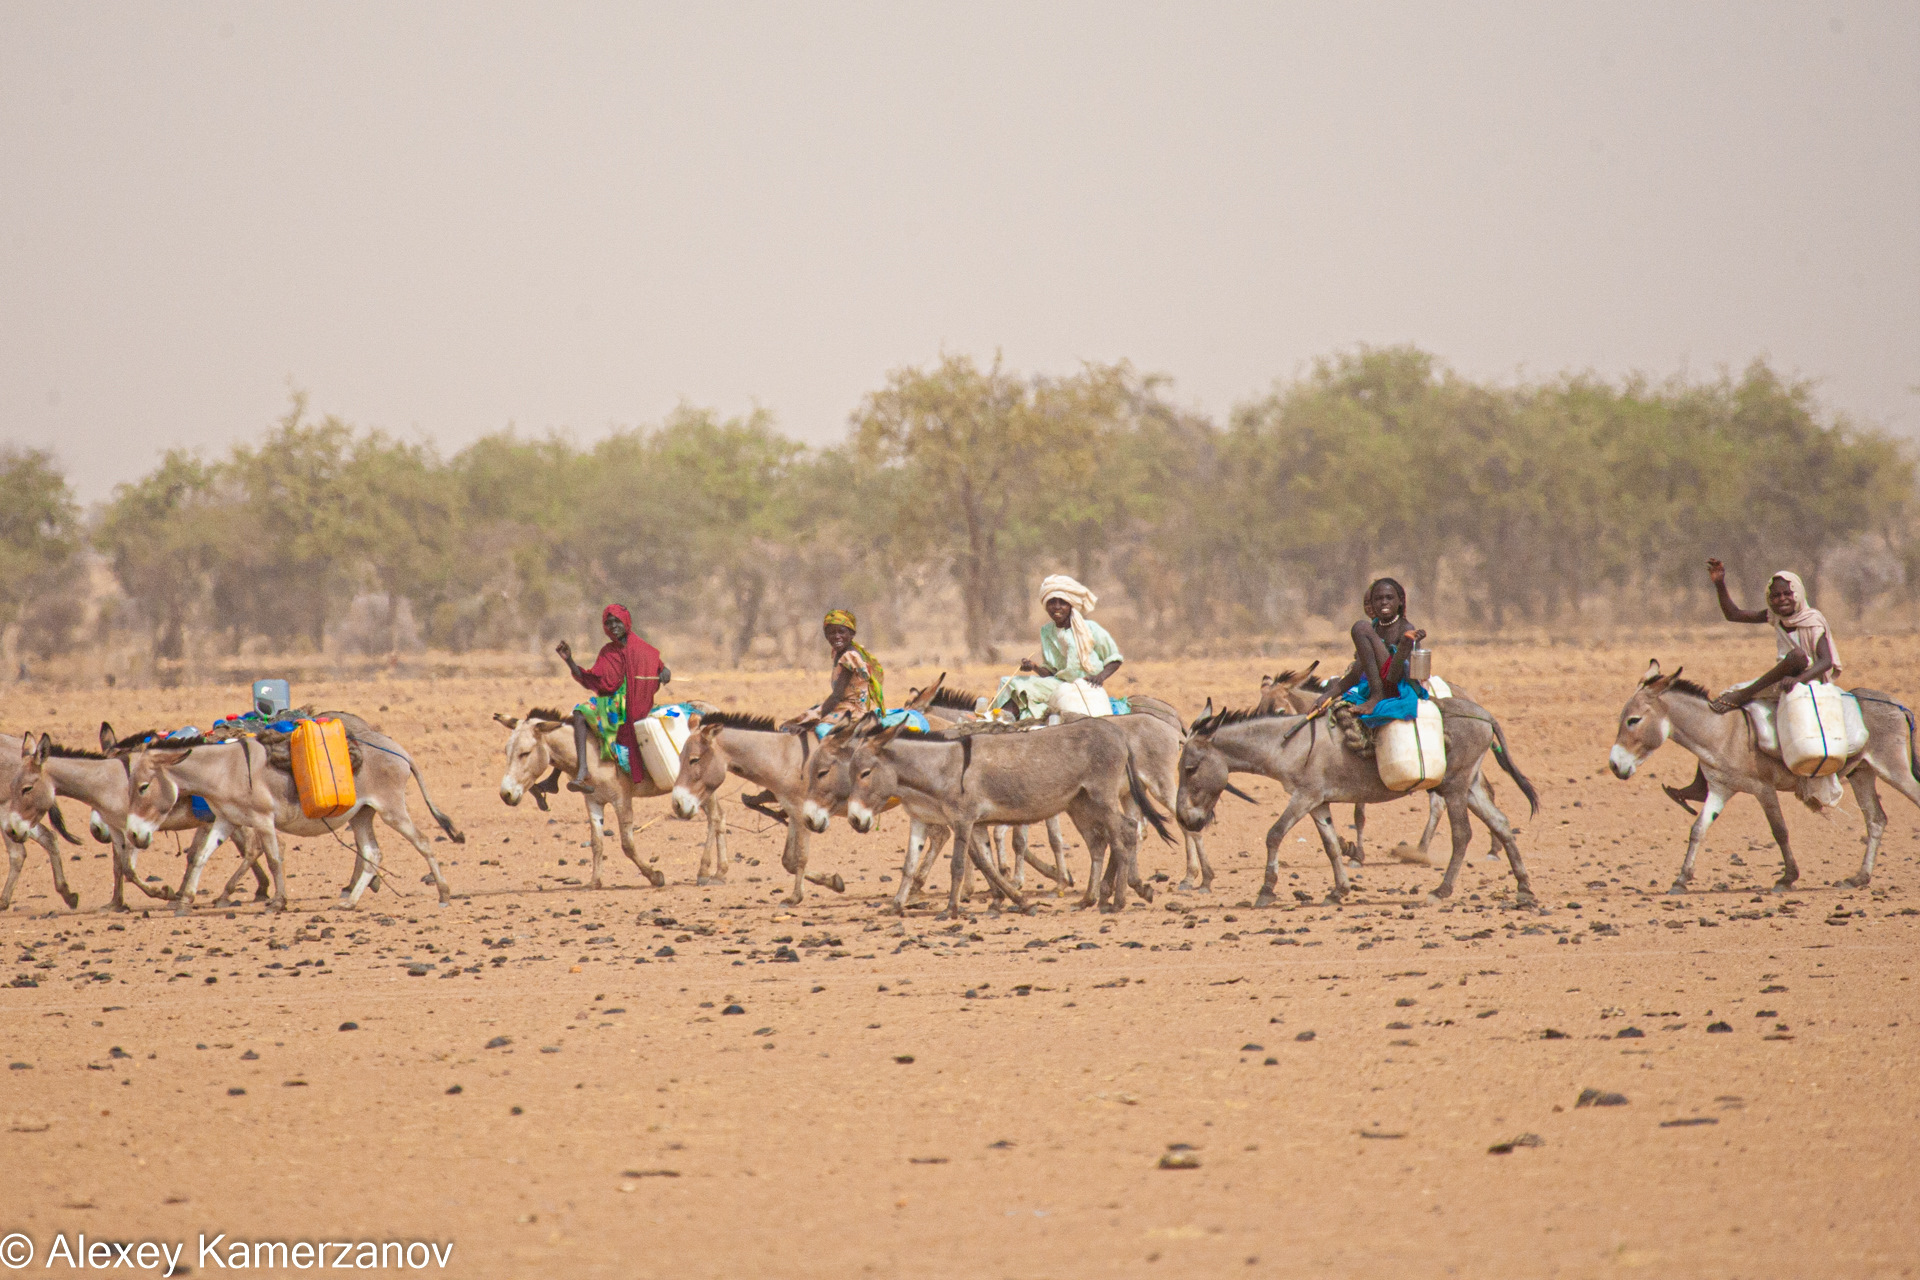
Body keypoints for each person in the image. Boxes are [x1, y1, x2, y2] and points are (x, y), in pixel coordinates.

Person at [1663, 560, 1843, 810]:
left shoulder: (1813, 620)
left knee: (1795, 659)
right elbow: (1733, 615)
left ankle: (1744, 696)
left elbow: (1825, 661)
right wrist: (1720, 584)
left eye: (1786, 594)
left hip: (1807, 679)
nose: (1781, 599)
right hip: (1783, 678)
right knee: (1721, 703)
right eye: (1776, 595)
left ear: (1798, 594)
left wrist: (1798, 679)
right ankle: (1700, 785)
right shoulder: (1776, 617)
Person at [555, 604, 671, 790]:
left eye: (617, 621)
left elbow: (659, 668)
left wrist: (664, 671)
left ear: (626, 621)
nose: (613, 626)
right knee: (575, 716)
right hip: (614, 705)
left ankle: (580, 771)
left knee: (580, 712)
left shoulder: (643, 649)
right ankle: (580, 770)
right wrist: (569, 660)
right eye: (609, 623)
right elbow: (590, 679)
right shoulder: (607, 652)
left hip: (634, 707)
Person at [990, 575, 1123, 720]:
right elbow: (1050, 673)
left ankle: (999, 721)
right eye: (1052, 602)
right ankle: (1001, 720)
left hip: (1085, 683)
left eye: (1063, 602)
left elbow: (1114, 659)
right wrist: (1033, 666)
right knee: (1008, 682)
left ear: (1071, 605)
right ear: (1046, 605)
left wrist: (1100, 677)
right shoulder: (1047, 631)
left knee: (1023, 694)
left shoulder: (1090, 628)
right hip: (1059, 684)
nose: (1057, 607)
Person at [786, 609, 885, 729]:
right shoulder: (838, 653)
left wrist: (819, 715)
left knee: (814, 727)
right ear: (826, 636)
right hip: (844, 706)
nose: (837, 636)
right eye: (832, 633)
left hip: (853, 712)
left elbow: (837, 695)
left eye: (841, 632)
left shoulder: (849, 657)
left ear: (852, 634)